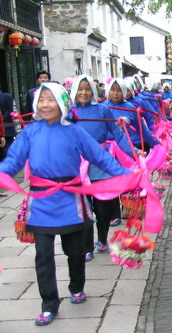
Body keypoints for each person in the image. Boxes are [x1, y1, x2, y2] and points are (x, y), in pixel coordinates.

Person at [0, 82, 131, 326]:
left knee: (75, 252)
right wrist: (2, 172)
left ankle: (76, 287)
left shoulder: (74, 131)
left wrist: (127, 174)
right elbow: (13, 161)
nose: (45, 105)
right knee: (43, 255)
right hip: (41, 201)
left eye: (50, 99)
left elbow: (100, 157)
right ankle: (49, 304)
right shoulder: (30, 132)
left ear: (61, 103)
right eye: (41, 100)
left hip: (71, 199)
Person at [69, 75, 137, 261]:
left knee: (103, 207)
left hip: (99, 162)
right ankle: (87, 246)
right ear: (74, 91)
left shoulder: (103, 110)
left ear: (93, 91)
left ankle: (102, 240)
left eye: (87, 88)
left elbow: (118, 135)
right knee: (83, 208)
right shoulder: (68, 113)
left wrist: (135, 151)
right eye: (80, 89)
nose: (83, 92)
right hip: (76, 164)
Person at [102, 78, 160, 153]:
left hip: (128, 149)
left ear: (124, 91)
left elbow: (142, 129)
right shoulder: (102, 107)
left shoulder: (131, 108)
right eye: (112, 90)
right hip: (106, 150)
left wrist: (157, 143)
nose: (115, 93)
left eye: (119, 90)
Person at [0, 88, 14, 160]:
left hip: (7, 130)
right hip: (5, 129)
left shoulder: (7, 97)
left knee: (6, 154)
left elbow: (9, 111)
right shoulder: (8, 96)